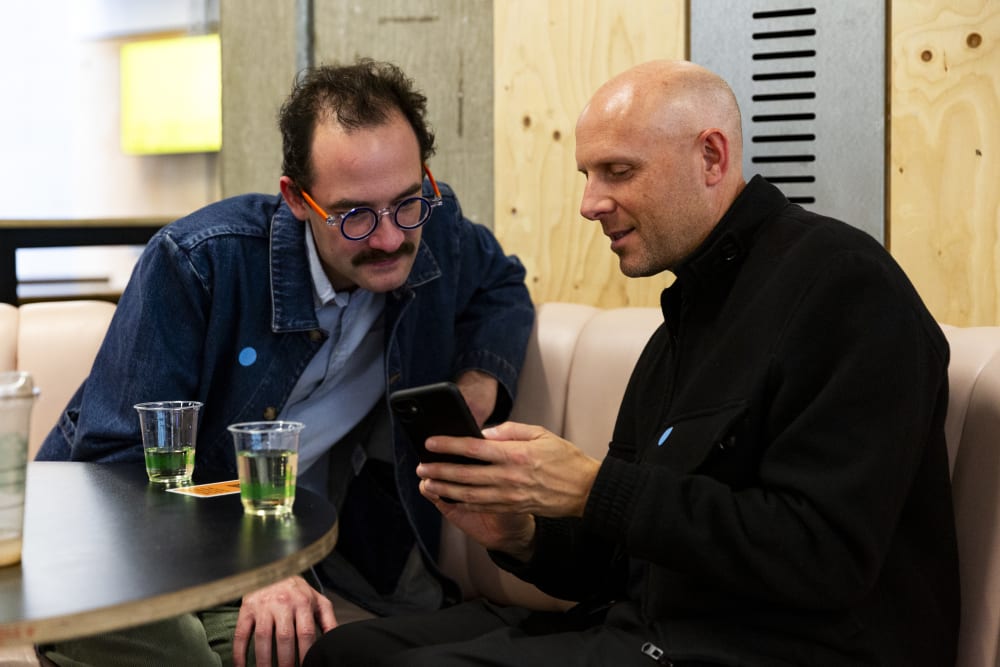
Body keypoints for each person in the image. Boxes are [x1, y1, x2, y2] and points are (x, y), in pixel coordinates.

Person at [302, 59, 960, 667]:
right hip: (641, 627)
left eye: (617, 171)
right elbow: (620, 565)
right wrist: (521, 534)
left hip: (772, 648)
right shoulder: (681, 325)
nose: (589, 202)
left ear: (711, 156)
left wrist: (593, 488)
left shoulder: (843, 286)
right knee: (347, 652)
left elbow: (824, 557)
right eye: (586, 176)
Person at [35, 59, 534, 667]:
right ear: (297, 199)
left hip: (294, 546)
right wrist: (257, 565)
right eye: (354, 215)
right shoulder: (198, 263)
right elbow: (116, 470)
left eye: (406, 202)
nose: (387, 238)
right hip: (119, 547)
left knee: (328, 654)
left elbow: (502, 285)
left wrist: (479, 383)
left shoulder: (434, 228)